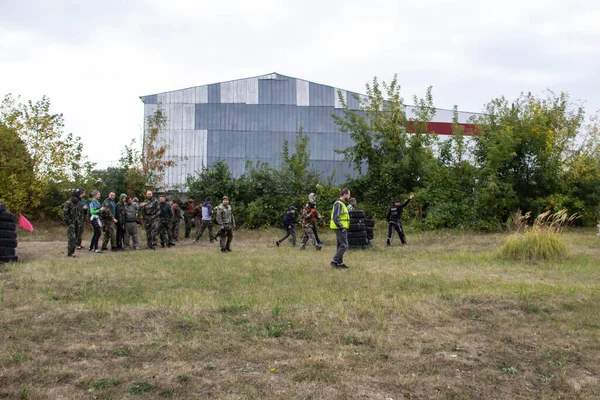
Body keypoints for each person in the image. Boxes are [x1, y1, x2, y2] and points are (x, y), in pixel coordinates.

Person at [330, 188, 351, 269]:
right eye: (349, 195)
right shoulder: (338, 203)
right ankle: (334, 261)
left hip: (340, 227)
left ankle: (340, 263)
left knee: (340, 246)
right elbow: (336, 217)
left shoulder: (341, 203)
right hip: (339, 228)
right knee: (344, 246)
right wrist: (341, 227)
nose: (349, 197)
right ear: (345, 194)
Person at [63, 189, 82, 258]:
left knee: (76, 237)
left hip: (77, 223)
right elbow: (65, 214)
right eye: (79, 194)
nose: (81, 196)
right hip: (71, 223)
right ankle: (70, 253)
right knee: (72, 238)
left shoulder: (78, 203)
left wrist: (79, 222)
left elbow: (79, 213)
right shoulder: (68, 203)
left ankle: (72, 252)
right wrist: (69, 222)